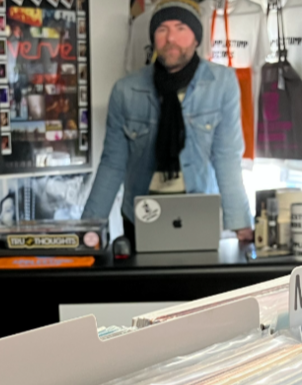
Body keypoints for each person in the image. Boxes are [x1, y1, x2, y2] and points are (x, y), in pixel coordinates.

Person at [81, 0, 253, 242]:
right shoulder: (126, 90)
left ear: (196, 37)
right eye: (162, 29)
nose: (171, 38)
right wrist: (89, 227)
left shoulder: (221, 84)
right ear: (153, 37)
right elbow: (113, 163)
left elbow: (227, 157)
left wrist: (241, 223)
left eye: (181, 28)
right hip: (141, 214)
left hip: (199, 213)